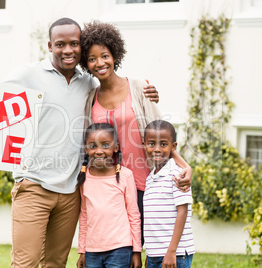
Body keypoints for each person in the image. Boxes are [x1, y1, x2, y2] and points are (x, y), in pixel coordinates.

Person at [0, 18, 160, 268]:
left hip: (70, 191)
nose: (68, 50)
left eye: (74, 44)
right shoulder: (28, 74)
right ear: (49, 45)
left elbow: (130, 103)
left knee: (55, 263)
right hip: (33, 184)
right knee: (25, 263)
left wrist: (148, 92)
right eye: (60, 44)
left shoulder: (87, 83)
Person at [80, 20, 192, 247]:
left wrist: (184, 165)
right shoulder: (90, 98)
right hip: (110, 188)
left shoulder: (139, 88)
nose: (99, 63)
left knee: (145, 248)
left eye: (104, 56)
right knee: (119, 252)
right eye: (91, 59)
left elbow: (160, 135)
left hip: (144, 185)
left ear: (115, 55)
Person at [76, 123, 142, 268]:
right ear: (86, 148)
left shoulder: (125, 175)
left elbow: (133, 215)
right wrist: (82, 250)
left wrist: (136, 251)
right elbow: (84, 215)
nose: (99, 151)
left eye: (105, 145)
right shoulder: (84, 177)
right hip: (92, 251)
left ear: (116, 147)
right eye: (93, 146)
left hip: (120, 249)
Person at [143, 120, 195, 268]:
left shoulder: (178, 175)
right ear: (144, 145)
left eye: (163, 144)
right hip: (155, 254)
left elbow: (182, 212)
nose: (157, 149)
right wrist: (150, 254)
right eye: (151, 144)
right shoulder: (150, 178)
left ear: (173, 147)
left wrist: (171, 251)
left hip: (175, 254)